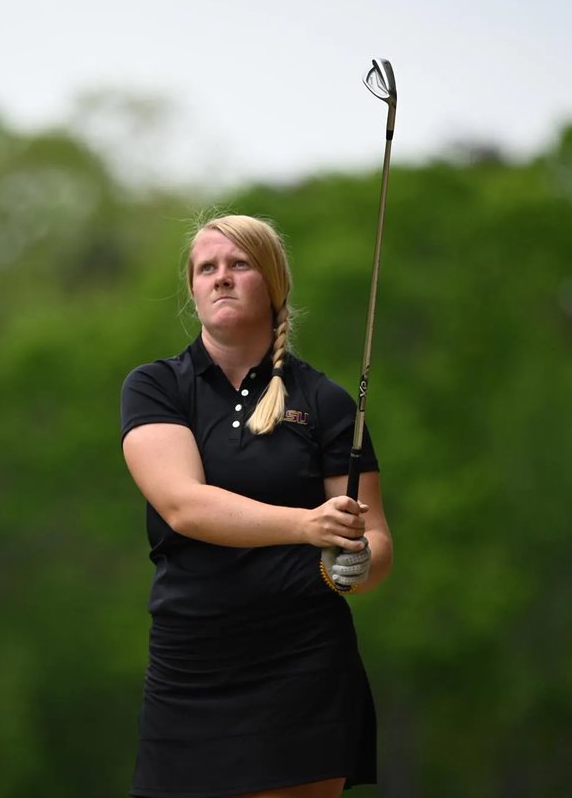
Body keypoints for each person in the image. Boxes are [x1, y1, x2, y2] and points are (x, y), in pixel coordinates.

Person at [119, 214, 393, 798]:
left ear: (272, 283)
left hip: (301, 666)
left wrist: (358, 563)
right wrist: (306, 525)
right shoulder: (156, 387)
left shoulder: (325, 401)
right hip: (190, 665)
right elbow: (184, 507)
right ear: (192, 289)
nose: (221, 278)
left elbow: (377, 543)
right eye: (206, 268)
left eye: (238, 265)